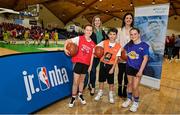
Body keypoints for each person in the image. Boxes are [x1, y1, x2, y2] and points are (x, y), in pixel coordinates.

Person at [64, 24, 95, 108]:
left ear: (92, 32)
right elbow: (67, 41)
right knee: (75, 81)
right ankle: (73, 97)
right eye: (87, 30)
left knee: (82, 81)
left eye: (90, 30)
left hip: (86, 65)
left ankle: (80, 95)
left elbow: (92, 56)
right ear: (84, 31)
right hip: (78, 63)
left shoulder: (93, 44)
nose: (88, 31)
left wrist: (90, 66)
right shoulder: (79, 38)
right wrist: (65, 49)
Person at [121, 28, 149, 112]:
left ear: (139, 34)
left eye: (135, 34)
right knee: (129, 84)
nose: (133, 36)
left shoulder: (144, 45)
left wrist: (141, 71)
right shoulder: (128, 45)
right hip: (129, 66)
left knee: (135, 86)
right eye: (131, 34)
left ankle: (136, 102)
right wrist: (120, 57)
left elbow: (145, 58)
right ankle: (129, 99)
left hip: (138, 69)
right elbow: (122, 51)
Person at [94, 28, 121, 104]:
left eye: (114, 34)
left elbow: (116, 58)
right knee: (101, 80)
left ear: (116, 35)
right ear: (108, 35)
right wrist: (97, 55)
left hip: (111, 66)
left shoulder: (118, 46)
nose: (112, 36)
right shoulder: (104, 42)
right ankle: (100, 92)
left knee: (111, 82)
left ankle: (111, 94)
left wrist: (113, 68)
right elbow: (96, 48)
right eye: (111, 34)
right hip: (103, 64)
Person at [88, 15, 107, 96]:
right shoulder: (91, 31)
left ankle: (89, 83)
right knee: (93, 70)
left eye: (98, 20)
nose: (97, 22)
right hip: (92, 54)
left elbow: (105, 41)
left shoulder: (102, 31)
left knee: (93, 70)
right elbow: (89, 41)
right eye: (95, 20)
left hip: (100, 54)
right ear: (93, 22)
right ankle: (93, 87)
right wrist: (94, 52)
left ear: (100, 22)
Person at [116, 12, 134, 98]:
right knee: (120, 72)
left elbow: (136, 43)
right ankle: (119, 87)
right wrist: (119, 55)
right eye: (127, 18)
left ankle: (125, 88)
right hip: (121, 55)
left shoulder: (134, 30)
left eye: (130, 18)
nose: (128, 19)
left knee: (128, 74)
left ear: (132, 20)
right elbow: (117, 43)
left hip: (130, 56)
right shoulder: (120, 30)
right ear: (124, 19)